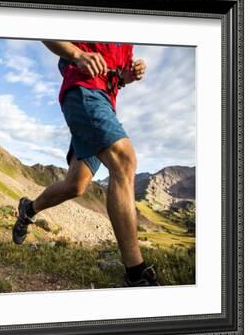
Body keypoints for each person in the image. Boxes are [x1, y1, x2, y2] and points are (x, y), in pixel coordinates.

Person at [12, 41, 159, 287]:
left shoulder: (129, 41)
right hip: (83, 91)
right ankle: (136, 274)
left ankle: (28, 209)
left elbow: (117, 76)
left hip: (105, 102)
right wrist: (77, 54)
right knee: (124, 161)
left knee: (75, 185)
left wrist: (128, 76)